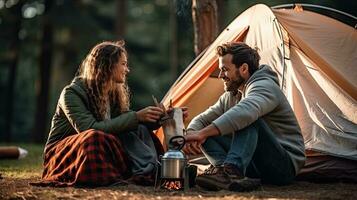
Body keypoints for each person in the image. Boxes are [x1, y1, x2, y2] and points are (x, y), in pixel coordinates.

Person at [36, 41, 171, 187]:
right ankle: (117, 173)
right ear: (107, 65)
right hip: (61, 154)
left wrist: (159, 118)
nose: (127, 70)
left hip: (95, 146)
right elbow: (88, 128)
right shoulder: (71, 93)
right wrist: (136, 117)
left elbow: (123, 123)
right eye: (123, 64)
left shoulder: (111, 94)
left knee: (139, 131)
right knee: (94, 137)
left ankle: (150, 170)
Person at [183, 42, 305, 192]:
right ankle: (222, 171)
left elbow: (245, 112)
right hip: (254, 166)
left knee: (247, 118)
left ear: (244, 68)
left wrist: (202, 133)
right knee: (207, 131)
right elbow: (202, 119)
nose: (221, 75)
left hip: (283, 167)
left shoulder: (265, 86)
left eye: (225, 70)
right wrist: (192, 133)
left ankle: (231, 171)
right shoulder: (231, 95)